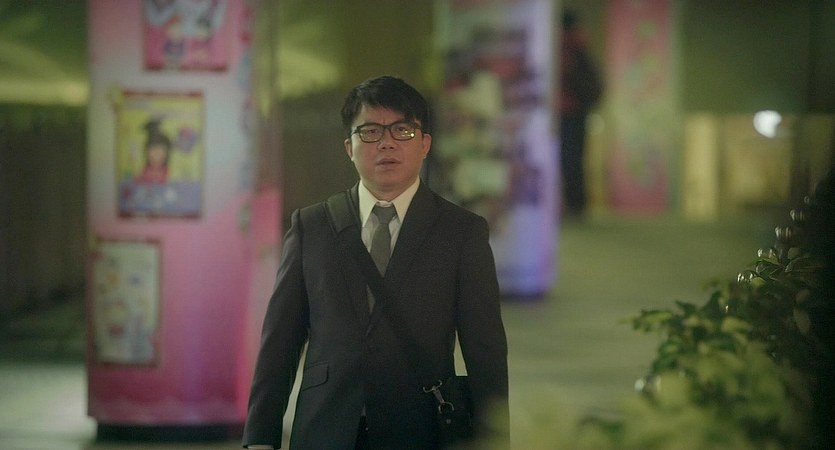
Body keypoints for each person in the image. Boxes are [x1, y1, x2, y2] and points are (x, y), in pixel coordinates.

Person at [242, 75, 509, 449]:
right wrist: (260, 437)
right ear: (348, 147)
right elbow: (279, 344)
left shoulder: (461, 232)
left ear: (425, 144)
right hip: (325, 428)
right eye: (370, 132)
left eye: (403, 130)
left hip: (420, 428)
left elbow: (486, 353)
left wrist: (495, 441)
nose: (386, 142)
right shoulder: (312, 227)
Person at [559, 8, 603, 218]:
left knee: (571, 160)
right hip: (569, 114)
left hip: (572, 115)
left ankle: (575, 205)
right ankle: (573, 205)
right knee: (571, 160)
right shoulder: (577, 51)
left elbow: (592, 87)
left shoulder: (576, 54)